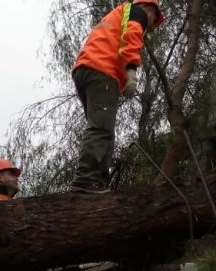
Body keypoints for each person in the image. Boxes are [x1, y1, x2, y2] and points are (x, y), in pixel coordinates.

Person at [70, 0, 165, 193]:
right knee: (100, 128)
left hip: (85, 70)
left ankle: (98, 181)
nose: (152, 24)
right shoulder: (137, 11)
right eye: (154, 18)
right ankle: (86, 180)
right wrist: (131, 71)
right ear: (150, 9)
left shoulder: (116, 14)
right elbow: (132, 36)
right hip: (102, 70)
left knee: (103, 127)